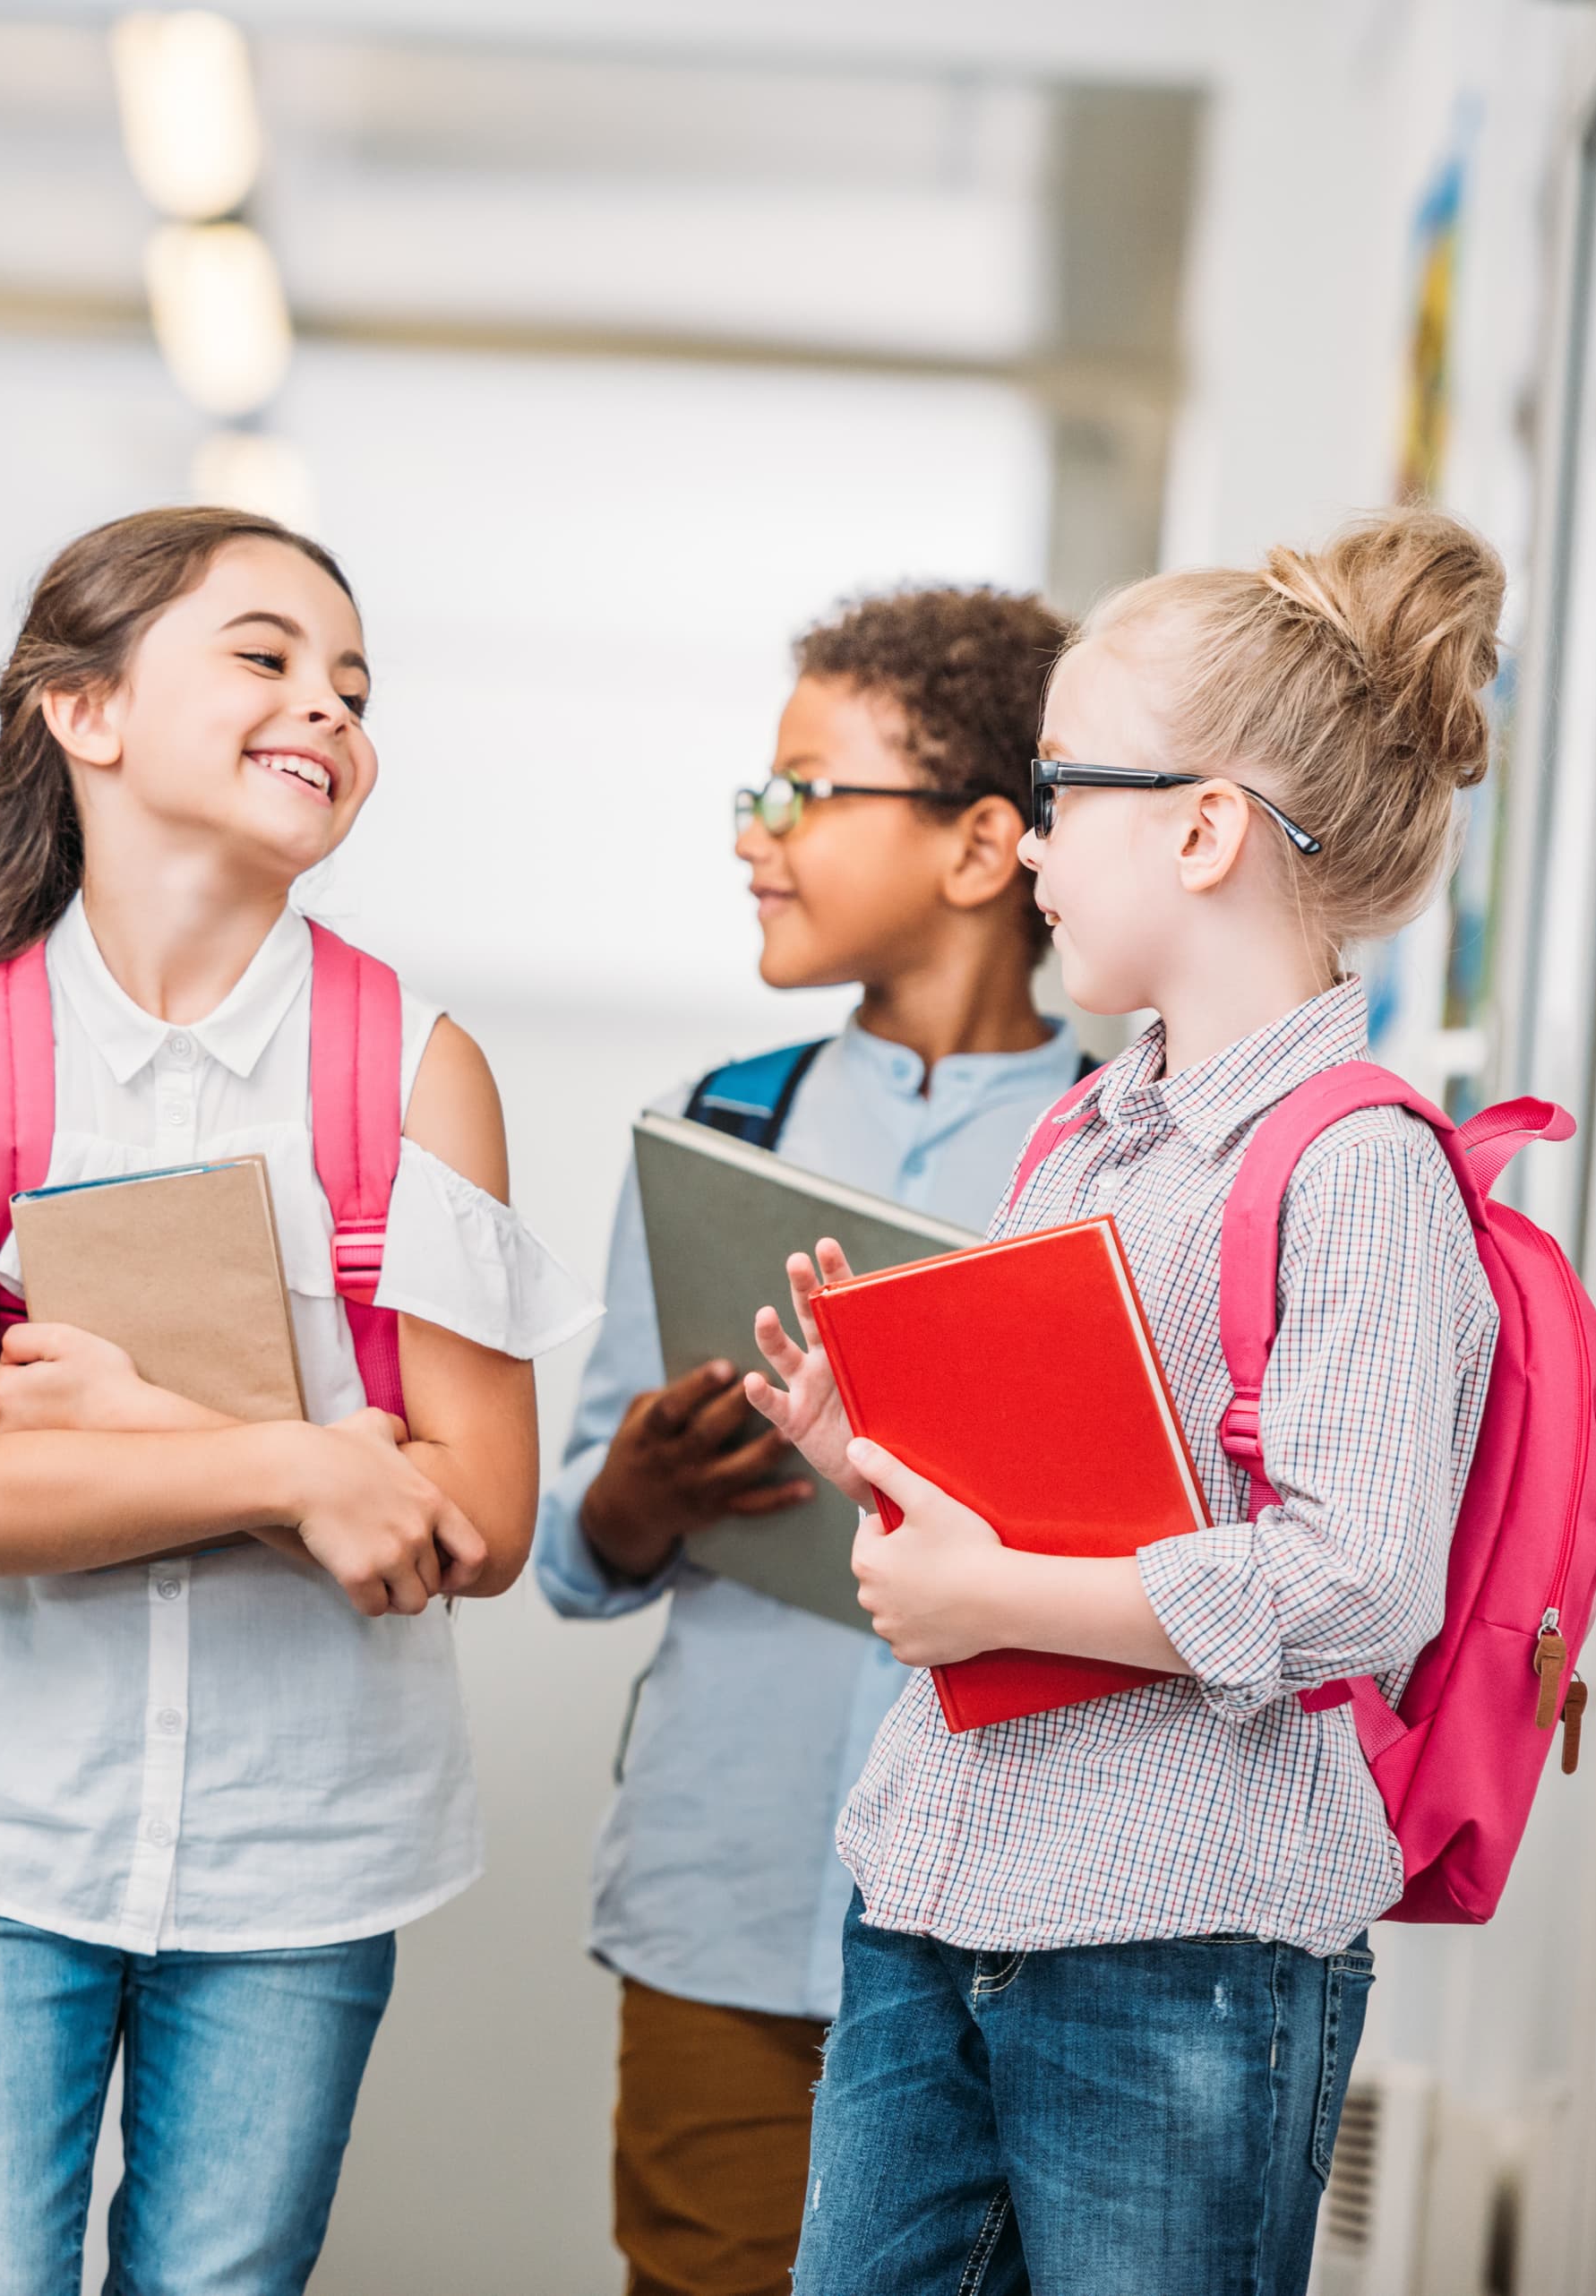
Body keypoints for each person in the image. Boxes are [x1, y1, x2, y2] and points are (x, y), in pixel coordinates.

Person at [0, 505, 595, 2295]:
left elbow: (468, 1524)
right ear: (85, 712)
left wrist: (139, 1433)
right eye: (266, 655)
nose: (327, 706)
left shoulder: (414, 1070)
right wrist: (298, 1462)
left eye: (355, 685)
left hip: (308, 1848)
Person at [749, 508, 1508, 2296]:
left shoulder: (1361, 1169)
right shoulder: (1084, 1134)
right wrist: (872, 1454)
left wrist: (996, 1596)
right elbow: (1071, 1492)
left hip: (1187, 1942)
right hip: (932, 1894)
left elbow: (1361, 1580)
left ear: (1204, 824)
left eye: (1062, 788)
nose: (1030, 847)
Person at [529, 589, 1074, 2296]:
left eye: (803, 794)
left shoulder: (1111, 1161)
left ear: (984, 844)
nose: (755, 839)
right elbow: (579, 1544)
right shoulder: (720, 1129)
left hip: (1014, 1917)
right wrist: (634, 1496)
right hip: (727, 1893)